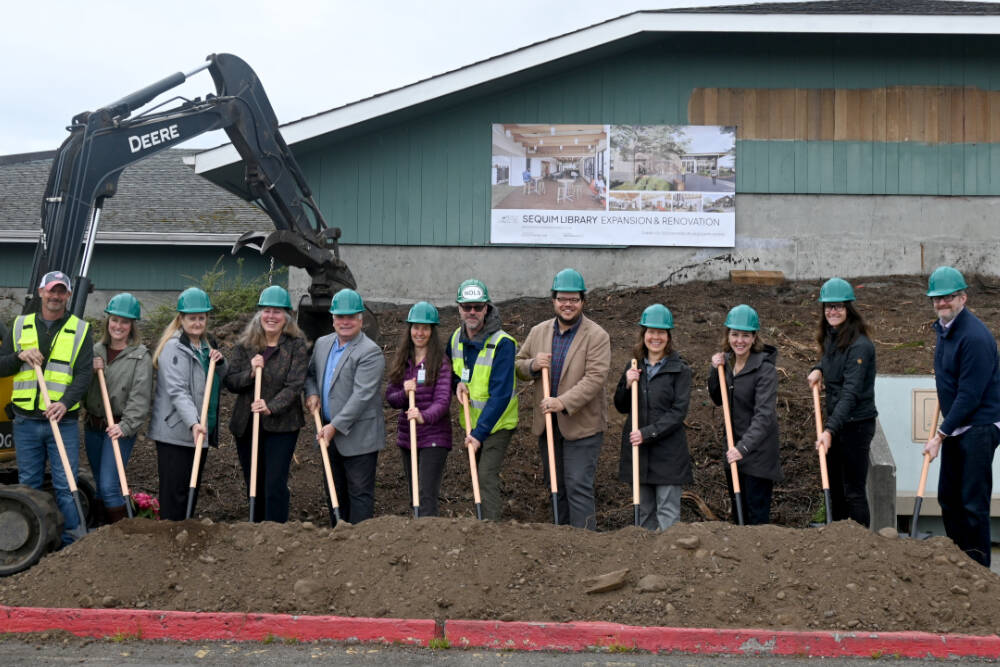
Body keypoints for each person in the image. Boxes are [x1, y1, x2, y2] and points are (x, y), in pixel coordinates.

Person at [0, 270, 92, 545]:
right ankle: (34, 544)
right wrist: (18, 356)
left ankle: (74, 543)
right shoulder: (19, 325)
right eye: (51, 290)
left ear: (68, 295)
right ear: (41, 292)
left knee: (66, 485)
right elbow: (1, 365)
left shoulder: (80, 329)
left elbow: (84, 374)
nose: (55, 296)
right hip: (26, 423)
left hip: (61, 422)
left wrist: (65, 403)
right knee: (29, 486)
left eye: (61, 291)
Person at [515, 268, 610, 530]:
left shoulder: (597, 336)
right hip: (548, 426)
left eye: (573, 299)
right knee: (555, 485)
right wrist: (533, 364)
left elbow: (595, 378)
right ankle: (561, 540)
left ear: (583, 301)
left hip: (582, 426)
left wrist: (563, 402)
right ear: (553, 300)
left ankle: (584, 542)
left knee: (578, 483)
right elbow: (518, 365)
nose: (567, 304)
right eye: (562, 299)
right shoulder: (538, 332)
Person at [923, 266, 1000, 567]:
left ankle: (978, 569)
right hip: (958, 427)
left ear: (963, 298)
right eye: (937, 299)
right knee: (949, 499)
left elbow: (970, 396)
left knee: (971, 502)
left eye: (948, 298)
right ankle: (958, 565)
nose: (942, 303)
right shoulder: (944, 330)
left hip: (979, 427)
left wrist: (940, 436)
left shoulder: (975, 338)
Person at [223, 286, 308, 523]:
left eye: (277, 312)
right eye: (267, 311)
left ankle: (274, 532)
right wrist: (250, 373)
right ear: (260, 315)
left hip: (281, 426)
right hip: (247, 425)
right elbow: (230, 381)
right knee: (254, 481)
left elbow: (295, 385)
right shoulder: (245, 345)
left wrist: (271, 406)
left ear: (286, 317)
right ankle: (256, 528)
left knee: (274, 483)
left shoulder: (296, 346)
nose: (271, 316)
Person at [305, 288, 385, 526]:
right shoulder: (322, 344)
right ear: (332, 318)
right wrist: (311, 394)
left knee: (359, 493)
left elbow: (361, 396)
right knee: (335, 490)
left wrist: (334, 427)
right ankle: (338, 540)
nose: (345, 322)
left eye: (351, 317)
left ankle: (359, 547)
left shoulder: (370, 352)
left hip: (358, 436)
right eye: (340, 317)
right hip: (328, 432)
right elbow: (309, 374)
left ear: (361, 319)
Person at [149, 287, 226, 521]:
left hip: (200, 431)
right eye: (192, 318)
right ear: (181, 318)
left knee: (189, 491)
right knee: (175, 493)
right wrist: (194, 423)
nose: (197, 322)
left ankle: (183, 537)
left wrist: (220, 363)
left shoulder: (205, 346)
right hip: (176, 433)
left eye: (201, 317)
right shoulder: (174, 347)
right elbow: (177, 391)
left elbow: (218, 381)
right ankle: (170, 541)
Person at [613, 304, 692, 531]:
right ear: (643, 334)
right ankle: (645, 564)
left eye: (661, 332)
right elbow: (620, 406)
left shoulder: (680, 370)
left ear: (668, 336)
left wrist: (647, 434)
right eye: (651, 332)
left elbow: (678, 413)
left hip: (668, 454)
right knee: (644, 512)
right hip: (640, 454)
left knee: (667, 513)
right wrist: (627, 384)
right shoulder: (634, 366)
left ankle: (666, 563)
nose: (655, 337)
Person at [807, 278, 877, 527]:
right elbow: (828, 359)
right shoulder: (832, 336)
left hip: (856, 425)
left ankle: (859, 543)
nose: (832, 311)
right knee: (834, 486)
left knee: (853, 490)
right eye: (828, 307)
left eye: (838, 307)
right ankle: (836, 539)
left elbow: (851, 393)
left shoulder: (860, 346)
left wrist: (829, 431)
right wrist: (818, 369)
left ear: (849, 309)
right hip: (837, 422)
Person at [448, 279, 518, 520]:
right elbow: (451, 372)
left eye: (478, 307)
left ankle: (491, 530)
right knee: (476, 473)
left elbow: (501, 395)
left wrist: (479, 434)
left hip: (497, 424)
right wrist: (457, 383)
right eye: (467, 307)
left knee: (486, 474)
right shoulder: (456, 338)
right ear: (459, 308)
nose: (472, 312)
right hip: (470, 422)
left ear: (487, 308)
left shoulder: (503, 344)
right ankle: (482, 525)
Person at [708, 304, 782, 525]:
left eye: (745, 335)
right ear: (728, 335)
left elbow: (764, 416)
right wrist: (715, 370)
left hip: (757, 454)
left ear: (754, 337)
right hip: (734, 449)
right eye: (735, 334)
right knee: (738, 514)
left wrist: (744, 448)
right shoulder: (728, 364)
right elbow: (717, 398)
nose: (739, 341)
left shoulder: (764, 370)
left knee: (755, 515)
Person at [83, 293, 152, 524]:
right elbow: (78, 387)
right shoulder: (94, 351)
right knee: (100, 485)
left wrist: (126, 426)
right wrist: (88, 371)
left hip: (120, 428)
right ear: (108, 321)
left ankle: (121, 535)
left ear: (132, 325)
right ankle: (101, 539)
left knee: (109, 485)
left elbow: (140, 398)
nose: (118, 326)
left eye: (124, 321)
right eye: (115, 320)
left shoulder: (140, 356)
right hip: (93, 426)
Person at [385, 301, 452, 516]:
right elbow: (391, 398)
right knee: (414, 493)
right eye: (416, 327)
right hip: (408, 437)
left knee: (426, 493)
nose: (419, 332)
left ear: (432, 331)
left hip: (434, 437)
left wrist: (423, 416)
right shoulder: (403, 361)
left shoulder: (441, 362)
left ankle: (429, 537)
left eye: (425, 328)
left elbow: (442, 401)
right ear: (410, 329)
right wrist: (404, 393)